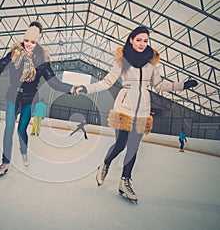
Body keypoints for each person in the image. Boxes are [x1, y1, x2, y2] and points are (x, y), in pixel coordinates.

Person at [76, 26, 198, 202]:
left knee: (133, 148)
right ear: (131, 40)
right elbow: (107, 82)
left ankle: (124, 181)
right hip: (124, 108)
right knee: (120, 144)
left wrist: (182, 85)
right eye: (139, 40)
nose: (142, 43)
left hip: (143, 111)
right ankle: (105, 164)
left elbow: (160, 85)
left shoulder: (152, 63)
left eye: (145, 40)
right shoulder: (122, 60)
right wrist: (86, 88)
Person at [0, 21, 76, 176]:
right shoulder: (14, 54)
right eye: (26, 41)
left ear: (37, 42)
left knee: (20, 130)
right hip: (13, 96)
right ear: (23, 40)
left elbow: (53, 82)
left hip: (29, 100)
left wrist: (71, 89)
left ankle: (24, 151)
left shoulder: (42, 61)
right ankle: (5, 163)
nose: (29, 44)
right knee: (8, 129)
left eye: (33, 42)